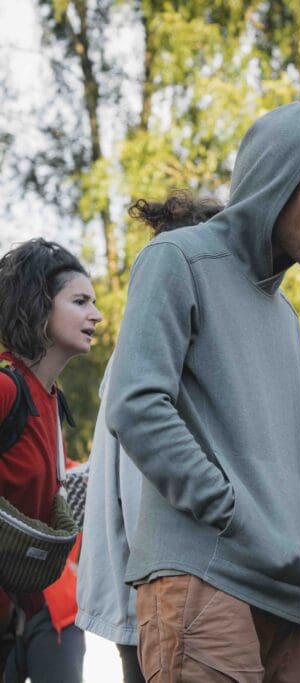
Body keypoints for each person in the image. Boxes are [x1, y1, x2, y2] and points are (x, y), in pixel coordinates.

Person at [104, 102, 300, 682]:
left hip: (286, 597)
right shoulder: (178, 259)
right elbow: (136, 405)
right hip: (204, 578)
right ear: (276, 184)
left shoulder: (285, 314)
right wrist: (231, 511)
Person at [0, 239, 102, 681]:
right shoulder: (7, 389)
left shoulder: (50, 403)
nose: (95, 315)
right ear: (39, 307)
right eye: (80, 301)